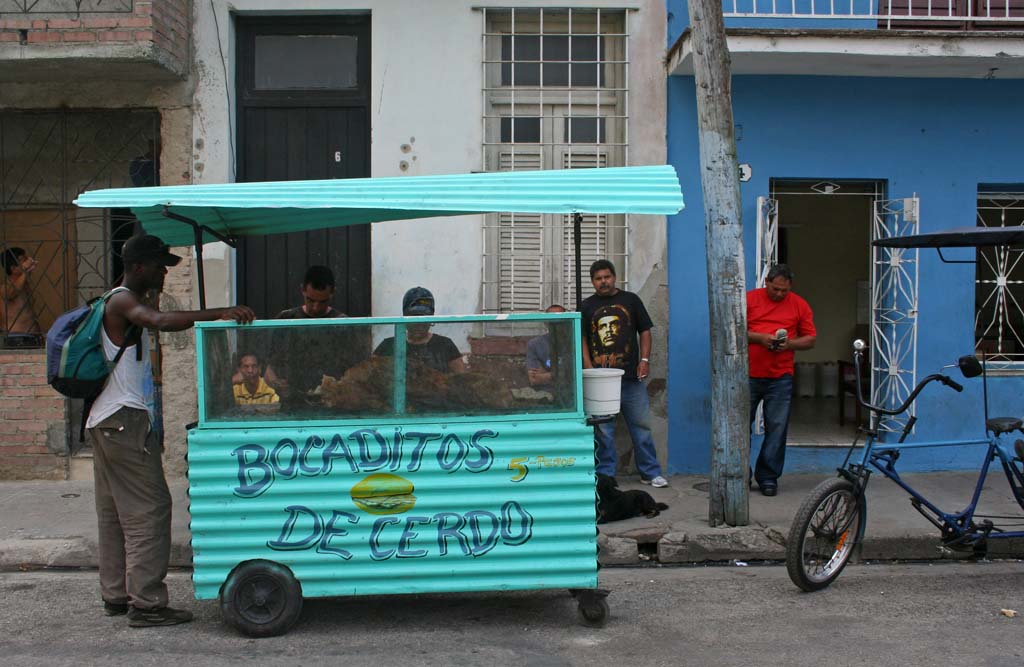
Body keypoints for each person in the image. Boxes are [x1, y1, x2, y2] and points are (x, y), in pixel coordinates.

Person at [86, 234, 254, 627]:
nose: (165, 272)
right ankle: (146, 604)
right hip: (123, 421)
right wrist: (219, 312)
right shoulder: (122, 299)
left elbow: (158, 325)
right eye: (160, 266)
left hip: (106, 420)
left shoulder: (126, 300)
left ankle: (115, 595)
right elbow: (159, 322)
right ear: (139, 267)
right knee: (151, 509)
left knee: (113, 512)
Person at [581, 260, 667, 488]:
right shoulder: (586, 306)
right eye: (598, 279)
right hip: (600, 381)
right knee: (604, 432)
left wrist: (645, 360)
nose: (603, 282)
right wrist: (589, 368)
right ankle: (606, 476)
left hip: (630, 378)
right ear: (593, 282)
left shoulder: (630, 300)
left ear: (614, 276)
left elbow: (645, 331)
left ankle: (650, 472)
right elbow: (581, 340)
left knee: (641, 427)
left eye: (607, 277)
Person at [747, 263, 817, 497]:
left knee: (776, 429)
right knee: (739, 427)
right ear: (766, 281)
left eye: (783, 291)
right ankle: (739, 474)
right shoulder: (749, 299)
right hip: (748, 374)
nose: (779, 294)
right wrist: (760, 339)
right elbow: (734, 331)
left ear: (790, 287)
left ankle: (767, 477)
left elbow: (810, 339)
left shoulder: (800, 304)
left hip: (780, 376)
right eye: (775, 289)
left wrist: (789, 344)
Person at [264, 265, 357, 404]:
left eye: (322, 302)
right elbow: (268, 367)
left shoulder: (344, 324)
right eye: (310, 300)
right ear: (302, 290)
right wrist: (276, 383)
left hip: (334, 404)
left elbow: (356, 371)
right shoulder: (286, 319)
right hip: (292, 403)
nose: (316, 307)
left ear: (332, 293)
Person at [373, 287, 465, 374]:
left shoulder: (445, 345)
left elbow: (460, 380)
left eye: (423, 318)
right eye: (413, 317)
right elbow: (370, 373)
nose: (418, 324)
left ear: (431, 319)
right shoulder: (387, 346)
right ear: (405, 318)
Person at [1, 246, 41, 341]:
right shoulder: (5, 287)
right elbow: (10, 293)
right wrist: (25, 272)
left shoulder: (24, 286)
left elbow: (30, 314)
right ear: (13, 269)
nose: (28, 262)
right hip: (16, 338)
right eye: (24, 261)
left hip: (32, 337)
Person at [526, 305, 567, 390]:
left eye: (560, 320)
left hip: (569, 393)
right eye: (552, 320)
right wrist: (560, 374)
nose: (556, 323)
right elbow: (534, 379)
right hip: (545, 393)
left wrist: (545, 375)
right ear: (545, 322)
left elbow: (573, 377)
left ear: (567, 322)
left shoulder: (574, 342)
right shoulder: (535, 344)